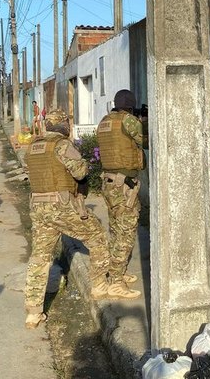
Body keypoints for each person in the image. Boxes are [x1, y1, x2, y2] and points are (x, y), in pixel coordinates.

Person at [24, 109, 120, 329]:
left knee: (40, 257)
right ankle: (98, 284)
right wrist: (84, 162)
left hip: (38, 206)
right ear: (63, 125)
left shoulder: (33, 146)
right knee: (96, 235)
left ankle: (33, 312)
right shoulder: (62, 145)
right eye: (67, 123)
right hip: (61, 206)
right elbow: (80, 172)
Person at [96, 90, 145, 299]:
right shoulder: (129, 121)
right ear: (131, 106)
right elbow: (146, 141)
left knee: (116, 228)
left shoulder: (105, 122)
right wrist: (145, 122)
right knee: (125, 232)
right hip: (123, 184)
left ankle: (119, 271)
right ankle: (116, 283)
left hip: (109, 182)